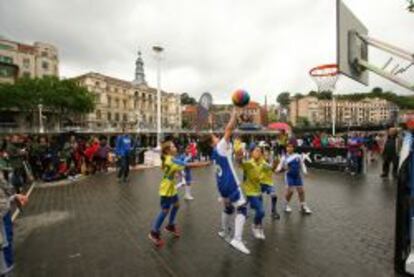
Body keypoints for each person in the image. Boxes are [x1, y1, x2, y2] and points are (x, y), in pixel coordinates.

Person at [200, 108, 250, 254]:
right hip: (230, 184)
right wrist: (234, 114)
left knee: (228, 209)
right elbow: (229, 129)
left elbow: (227, 132)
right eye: (215, 137)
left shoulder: (215, 152)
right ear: (211, 144)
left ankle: (223, 231)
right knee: (242, 208)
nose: (217, 137)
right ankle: (237, 239)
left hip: (222, 186)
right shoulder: (220, 147)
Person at [148, 141, 208, 247]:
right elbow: (186, 165)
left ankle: (170, 225)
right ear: (167, 150)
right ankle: (154, 232)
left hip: (170, 186)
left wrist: (177, 170)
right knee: (165, 210)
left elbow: (178, 163)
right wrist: (202, 163)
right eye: (173, 146)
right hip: (166, 188)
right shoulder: (170, 161)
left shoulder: (170, 158)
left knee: (176, 205)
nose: (175, 147)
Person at [237, 144, 266, 240]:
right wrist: (239, 157)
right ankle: (254, 226)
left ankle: (260, 228)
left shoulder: (262, 163)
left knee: (260, 212)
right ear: (251, 153)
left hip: (258, 191)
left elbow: (270, 171)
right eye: (256, 150)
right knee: (261, 212)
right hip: (250, 193)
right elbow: (241, 163)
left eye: (259, 151)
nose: (258, 152)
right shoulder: (249, 163)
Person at [276, 143, 312, 214]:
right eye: (288, 147)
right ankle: (286, 205)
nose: (289, 148)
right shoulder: (284, 157)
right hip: (289, 176)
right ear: (286, 148)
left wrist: (305, 172)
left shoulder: (298, 156)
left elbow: (302, 164)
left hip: (297, 176)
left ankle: (303, 207)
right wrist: (277, 169)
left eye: (291, 147)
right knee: (290, 191)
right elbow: (280, 165)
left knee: (301, 191)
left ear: (293, 148)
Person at [260, 148, 280, 220]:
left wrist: (282, 168)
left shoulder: (270, 161)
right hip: (260, 183)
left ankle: (273, 211)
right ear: (262, 155)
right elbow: (271, 167)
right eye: (265, 154)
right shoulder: (261, 161)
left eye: (268, 154)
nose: (267, 156)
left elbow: (275, 170)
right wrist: (275, 163)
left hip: (269, 183)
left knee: (274, 196)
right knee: (255, 197)